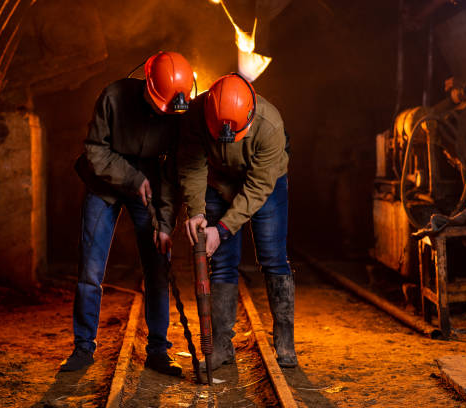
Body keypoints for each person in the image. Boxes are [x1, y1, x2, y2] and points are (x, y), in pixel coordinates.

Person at [61, 51, 194, 375]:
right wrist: (132, 178)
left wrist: (164, 225)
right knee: (91, 270)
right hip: (103, 183)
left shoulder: (177, 111)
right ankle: (83, 348)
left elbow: (170, 175)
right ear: (148, 86)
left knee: (157, 266)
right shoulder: (114, 96)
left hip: (149, 182)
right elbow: (95, 150)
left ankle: (158, 351)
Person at [177, 73, 296, 368]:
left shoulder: (271, 126)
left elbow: (257, 188)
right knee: (222, 261)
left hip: (263, 186)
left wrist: (223, 228)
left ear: (251, 114)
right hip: (217, 183)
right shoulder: (196, 114)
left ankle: (284, 342)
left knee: (272, 257)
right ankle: (220, 347)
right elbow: (192, 165)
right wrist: (197, 211)